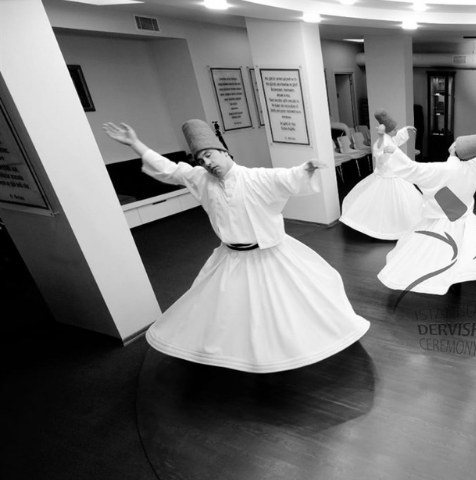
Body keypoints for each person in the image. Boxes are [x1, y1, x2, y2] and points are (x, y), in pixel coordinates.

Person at [102, 120, 369, 372]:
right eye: (200, 159)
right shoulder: (199, 178)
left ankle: (289, 349)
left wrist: (305, 169)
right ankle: (237, 355)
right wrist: (135, 143)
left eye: (209, 154)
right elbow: (169, 169)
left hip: (270, 256)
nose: (206, 162)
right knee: (230, 312)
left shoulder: (255, 177)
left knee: (289, 305)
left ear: (224, 152)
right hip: (230, 258)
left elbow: (285, 177)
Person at [377, 124, 476, 295]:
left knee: (438, 253)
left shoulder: (441, 169)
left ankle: (449, 279)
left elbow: (412, 168)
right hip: (465, 219)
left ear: (453, 149)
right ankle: (458, 278)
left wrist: (394, 151)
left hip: (443, 220)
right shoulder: (475, 168)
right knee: (465, 249)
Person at [339, 109, 424, 240]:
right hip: (387, 176)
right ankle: (387, 227)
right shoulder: (383, 141)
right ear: (388, 131)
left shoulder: (388, 138)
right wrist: (381, 139)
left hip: (394, 175)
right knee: (386, 203)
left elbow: (395, 140)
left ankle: (395, 222)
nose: (396, 131)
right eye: (394, 129)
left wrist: (405, 129)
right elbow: (378, 151)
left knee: (399, 203)